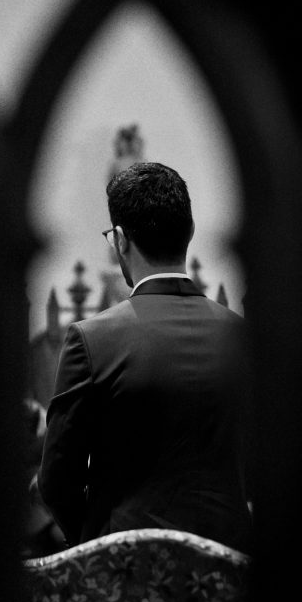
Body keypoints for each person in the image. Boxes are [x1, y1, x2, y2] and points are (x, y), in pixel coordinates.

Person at [37, 161, 253, 555]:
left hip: (126, 575)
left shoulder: (92, 340)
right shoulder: (244, 338)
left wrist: (95, 541)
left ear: (119, 239)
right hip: (228, 570)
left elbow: (56, 480)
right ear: (189, 231)